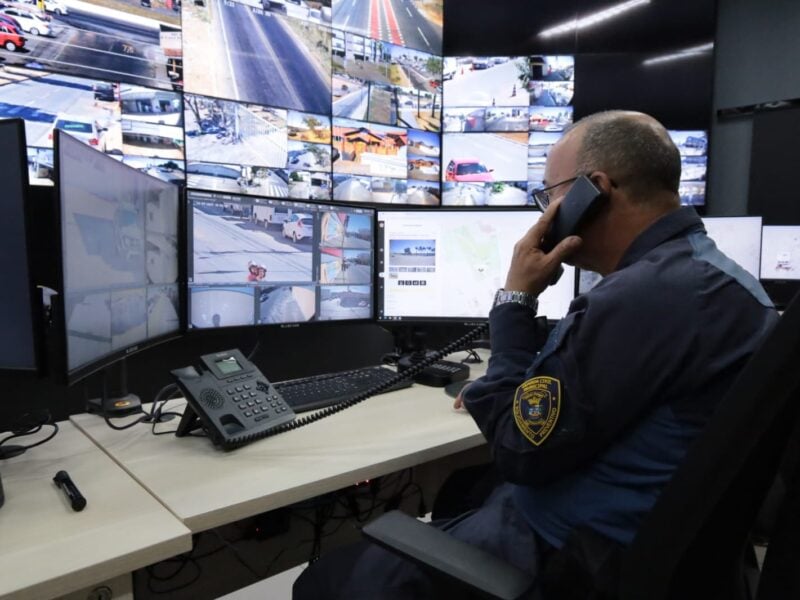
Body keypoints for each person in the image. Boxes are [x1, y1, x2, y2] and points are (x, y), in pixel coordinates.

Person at [292, 111, 778, 599]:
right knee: (462, 492)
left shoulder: (640, 297)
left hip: (568, 558)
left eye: (550, 195)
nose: (545, 212)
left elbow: (517, 451)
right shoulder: (724, 282)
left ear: (596, 190)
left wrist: (516, 300)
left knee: (323, 581)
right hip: (650, 550)